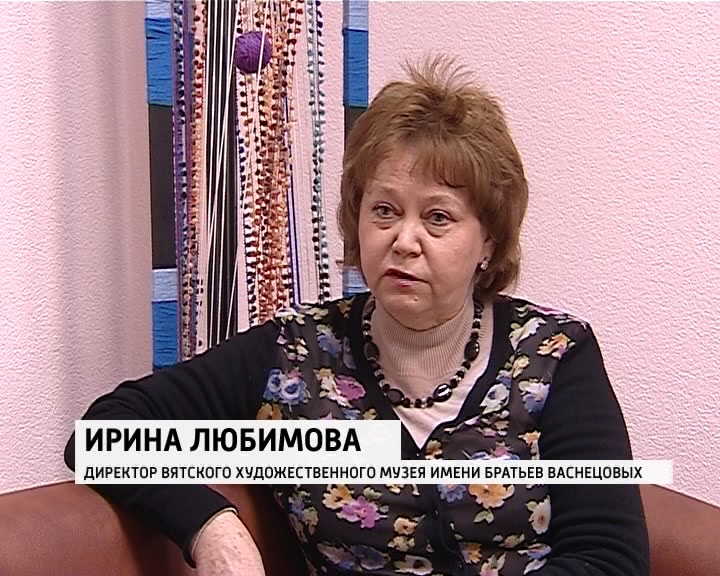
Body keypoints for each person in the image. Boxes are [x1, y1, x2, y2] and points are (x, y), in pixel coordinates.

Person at [65, 55, 649, 576]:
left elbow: (609, 558)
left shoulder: (553, 354)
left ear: (489, 241)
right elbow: (103, 435)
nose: (404, 241)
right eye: (385, 211)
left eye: (438, 218)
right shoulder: (297, 355)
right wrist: (211, 527)